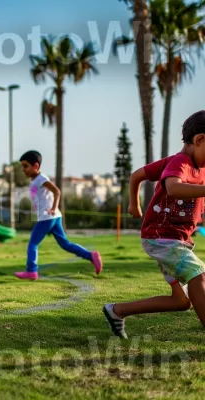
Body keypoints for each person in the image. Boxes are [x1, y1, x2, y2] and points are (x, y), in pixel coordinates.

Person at [104, 111, 205, 339]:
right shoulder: (180, 162)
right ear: (200, 140)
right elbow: (174, 188)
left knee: (181, 301)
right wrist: (133, 202)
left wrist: (134, 203)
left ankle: (116, 311)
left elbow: (136, 175)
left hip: (177, 239)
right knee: (199, 276)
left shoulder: (198, 169)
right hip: (162, 239)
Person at [15, 150, 102, 280]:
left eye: (26, 166)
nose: (23, 169)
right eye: (22, 166)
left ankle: (32, 271)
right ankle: (91, 256)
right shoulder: (35, 181)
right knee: (65, 244)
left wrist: (53, 208)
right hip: (53, 217)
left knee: (33, 243)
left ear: (36, 166)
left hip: (48, 217)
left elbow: (57, 191)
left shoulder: (41, 179)